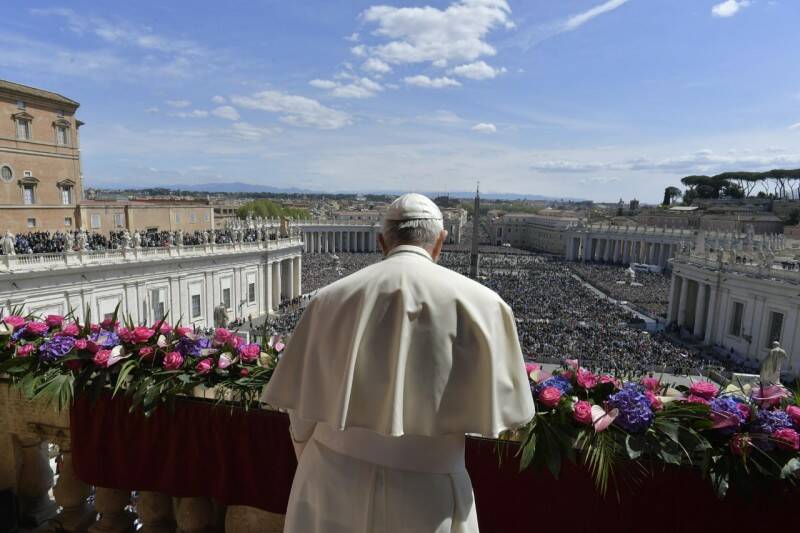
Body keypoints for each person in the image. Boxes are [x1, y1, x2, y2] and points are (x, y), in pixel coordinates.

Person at [263, 193, 534, 533]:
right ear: (441, 242)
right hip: (428, 494)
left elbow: (301, 407)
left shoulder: (329, 298)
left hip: (329, 479)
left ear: (380, 241)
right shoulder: (488, 306)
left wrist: (310, 454)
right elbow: (514, 416)